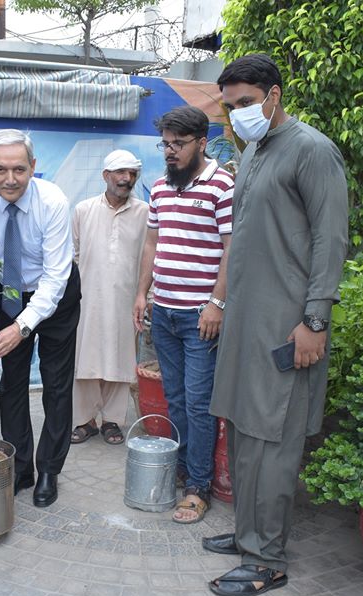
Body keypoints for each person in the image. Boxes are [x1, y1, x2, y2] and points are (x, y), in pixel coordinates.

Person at [205, 53, 348, 596]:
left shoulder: (312, 150)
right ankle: (248, 534)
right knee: (243, 429)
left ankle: (267, 560)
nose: (238, 113)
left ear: (274, 95)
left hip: (288, 325)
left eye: (246, 102)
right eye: (230, 106)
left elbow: (330, 239)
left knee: (272, 439)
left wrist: (315, 319)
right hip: (247, 321)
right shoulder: (255, 152)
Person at [0, 129, 81, 509]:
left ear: (33, 167)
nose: (10, 179)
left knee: (57, 385)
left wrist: (21, 327)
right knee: (12, 381)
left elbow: (55, 277)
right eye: (1, 170)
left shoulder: (52, 201)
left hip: (55, 295)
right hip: (7, 291)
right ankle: (20, 467)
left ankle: (49, 469)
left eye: (19, 169)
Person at [132, 106, 234, 526]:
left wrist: (216, 304)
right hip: (164, 313)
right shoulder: (159, 187)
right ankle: (182, 470)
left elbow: (232, 250)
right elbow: (152, 244)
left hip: (199, 318)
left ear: (202, 142)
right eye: (165, 144)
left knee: (197, 403)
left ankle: (198, 487)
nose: (170, 151)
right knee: (175, 399)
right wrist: (142, 293)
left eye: (179, 143)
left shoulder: (222, 185)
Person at [70, 150, 148, 447]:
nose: (127, 178)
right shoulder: (83, 210)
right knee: (85, 359)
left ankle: (112, 420)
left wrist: (146, 295)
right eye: (120, 172)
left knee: (120, 358)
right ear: (106, 175)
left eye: (132, 173)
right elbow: (75, 255)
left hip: (127, 300)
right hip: (87, 299)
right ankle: (85, 421)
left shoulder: (145, 213)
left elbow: (148, 258)